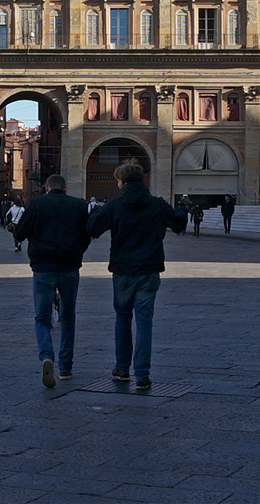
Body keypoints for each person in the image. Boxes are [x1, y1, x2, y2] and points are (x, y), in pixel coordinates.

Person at [87, 162, 187, 390]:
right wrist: (181, 209)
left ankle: (122, 369)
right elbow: (179, 221)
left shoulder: (115, 205)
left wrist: (97, 212)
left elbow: (92, 228)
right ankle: (142, 374)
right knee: (144, 323)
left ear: (121, 182)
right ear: (142, 180)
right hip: (149, 269)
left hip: (123, 271)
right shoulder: (156, 204)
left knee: (122, 319)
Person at [13, 174, 91, 389]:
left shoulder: (37, 204)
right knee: (68, 316)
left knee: (42, 318)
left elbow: (20, 232)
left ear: (47, 188)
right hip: (69, 267)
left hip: (43, 267)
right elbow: (87, 236)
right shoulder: (78, 205)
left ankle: (46, 355)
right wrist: (76, 253)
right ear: (65, 188)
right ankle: (65, 367)